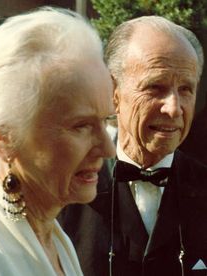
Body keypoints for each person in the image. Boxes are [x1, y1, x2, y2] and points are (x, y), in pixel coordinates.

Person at [59, 16, 207, 276]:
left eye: (186, 89)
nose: (174, 109)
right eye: (155, 87)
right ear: (113, 92)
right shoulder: (63, 193)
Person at [0, 7, 115, 276]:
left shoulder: (51, 234)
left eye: (107, 120)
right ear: (3, 139)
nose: (108, 149)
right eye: (81, 126)